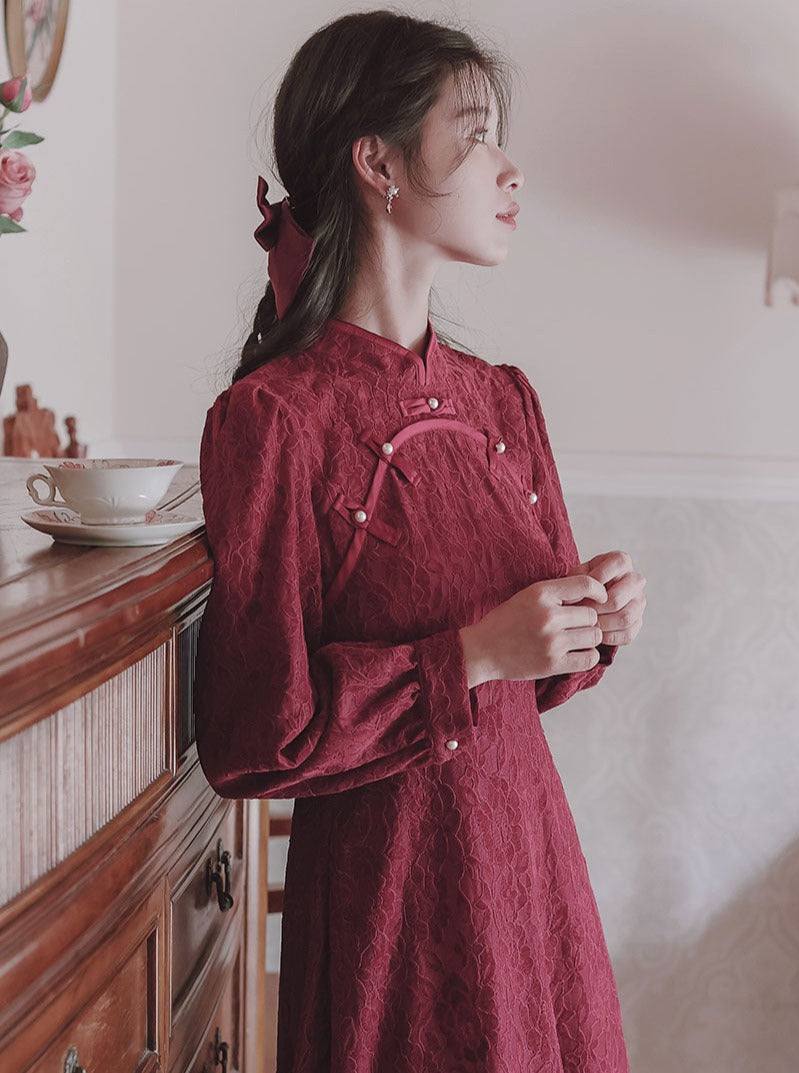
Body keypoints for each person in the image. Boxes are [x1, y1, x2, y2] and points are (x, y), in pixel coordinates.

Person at [194, 9, 647, 1072]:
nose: (509, 167)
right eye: (475, 132)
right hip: (392, 911)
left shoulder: (503, 402)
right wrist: (476, 650)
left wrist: (593, 617)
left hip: (528, 868)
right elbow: (254, 736)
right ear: (377, 161)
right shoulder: (275, 419)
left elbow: (541, 675)